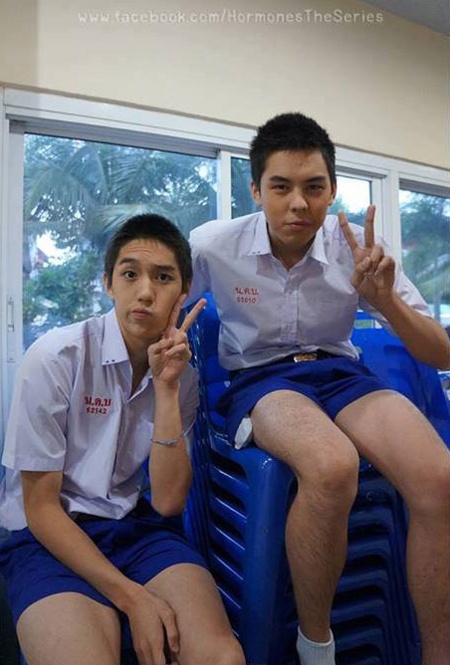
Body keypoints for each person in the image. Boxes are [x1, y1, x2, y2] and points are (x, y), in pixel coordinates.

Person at [187, 113, 450, 665]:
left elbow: (440, 352)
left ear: (332, 191)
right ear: (256, 190)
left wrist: (385, 299)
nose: (298, 205)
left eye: (314, 187)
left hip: (340, 373)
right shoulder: (213, 245)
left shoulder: (356, 248)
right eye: (281, 187)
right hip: (260, 378)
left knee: (440, 479)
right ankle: (316, 647)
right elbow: (167, 310)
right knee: (330, 466)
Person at [0, 213, 245, 665]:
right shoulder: (56, 358)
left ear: (183, 292)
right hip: (48, 535)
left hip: (135, 527)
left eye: (163, 277)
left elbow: (168, 502)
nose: (145, 292)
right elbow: (40, 508)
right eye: (130, 274)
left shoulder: (183, 378)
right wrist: (132, 598)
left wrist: (167, 389)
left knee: (221, 657)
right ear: (108, 284)